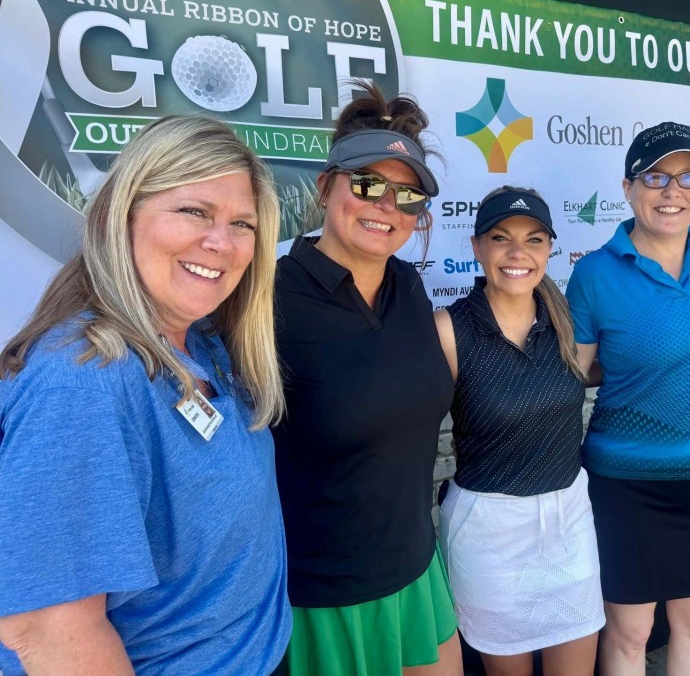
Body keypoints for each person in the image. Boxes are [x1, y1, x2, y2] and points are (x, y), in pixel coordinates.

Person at [0, 115, 290, 675]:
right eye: (194, 211)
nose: (221, 243)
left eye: (243, 224)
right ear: (120, 216)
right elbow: (44, 626)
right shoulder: (84, 379)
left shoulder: (203, 344)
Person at [272, 82, 462, 676]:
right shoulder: (268, 299)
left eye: (408, 197)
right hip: (323, 600)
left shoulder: (407, 286)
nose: (387, 206)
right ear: (327, 186)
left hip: (416, 573)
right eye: (369, 184)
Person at [566, 122, 690, 676]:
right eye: (656, 176)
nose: (673, 190)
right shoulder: (595, 273)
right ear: (628, 188)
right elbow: (575, 372)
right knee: (630, 633)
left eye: (688, 175)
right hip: (626, 485)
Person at [434, 187, 605, 676]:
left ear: (549, 248)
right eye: (500, 238)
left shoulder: (567, 321)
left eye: (533, 239)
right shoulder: (449, 329)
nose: (518, 254)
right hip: (490, 532)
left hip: (570, 519)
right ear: (476, 247)